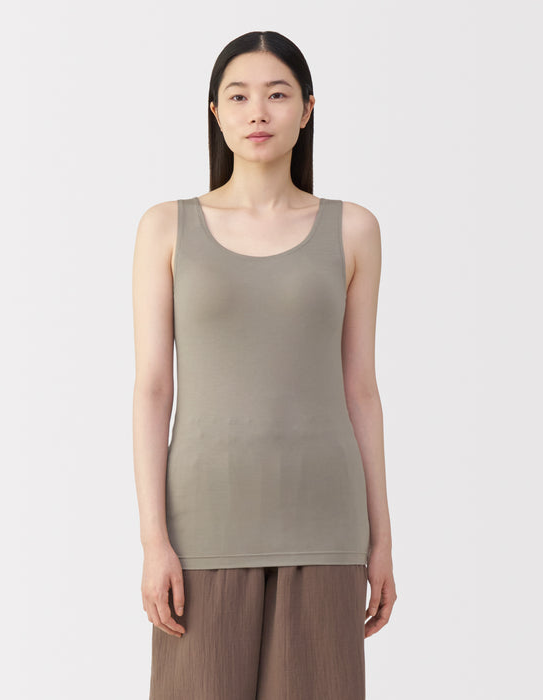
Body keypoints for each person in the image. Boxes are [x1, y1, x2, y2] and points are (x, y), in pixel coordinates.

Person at [132, 30, 396, 700]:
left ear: (307, 110)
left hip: (325, 524)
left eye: (277, 95)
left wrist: (382, 540)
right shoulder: (165, 227)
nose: (257, 112)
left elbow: (361, 390)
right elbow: (153, 389)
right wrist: (154, 541)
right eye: (239, 96)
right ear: (214, 112)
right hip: (203, 526)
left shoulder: (354, 229)